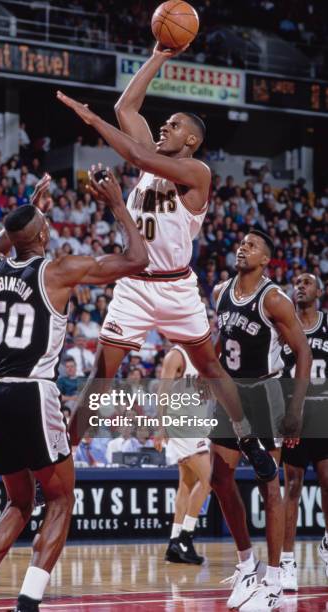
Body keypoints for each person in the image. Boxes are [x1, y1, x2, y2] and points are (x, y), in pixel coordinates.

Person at [57, 45, 278, 482]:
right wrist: (159, 55)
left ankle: (247, 437)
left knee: (212, 368)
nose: (165, 126)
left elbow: (137, 156)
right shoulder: (152, 162)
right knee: (100, 375)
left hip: (177, 286)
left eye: (174, 125)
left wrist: (92, 120)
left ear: (191, 142)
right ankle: (61, 460)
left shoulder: (197, 173)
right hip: (135, 284)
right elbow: (127, 105)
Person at [0, 171, 147, 612]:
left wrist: (27, 212)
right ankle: (29, 600)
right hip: (35, 392)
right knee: (59, 499)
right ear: (43, 232)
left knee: (18, 503)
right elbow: (136, 259)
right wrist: (117, 204)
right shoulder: (58, 270)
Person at [210, 230, 311, 610]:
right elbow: (222, 340)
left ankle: (272, 582)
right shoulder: (220, 290)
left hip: (264, 394)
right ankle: (246, 565)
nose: (242, 248)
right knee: (219, 476)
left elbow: (302, 352)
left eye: (251, 246)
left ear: (266, 259)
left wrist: (296, 411)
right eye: (241, 243)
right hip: (230, 393)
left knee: (270, 484)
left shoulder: (274, 300)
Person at [281, 274, 328, 590]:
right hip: (293, 418)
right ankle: (286, 561)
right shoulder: (284, 326)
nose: (300, 285)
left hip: (323, 413)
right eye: (296, 282)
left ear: (319, 292)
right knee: (293, 486)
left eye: (307, 282)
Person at [160, 345, 211, 565]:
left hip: (196, 422)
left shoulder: (200, 354)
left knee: (187, 483)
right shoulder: (176, 355)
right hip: (181, 422)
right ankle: (186, 537)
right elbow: (163, 392)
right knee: (210, 478)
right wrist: (160, 426)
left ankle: (174, 541)